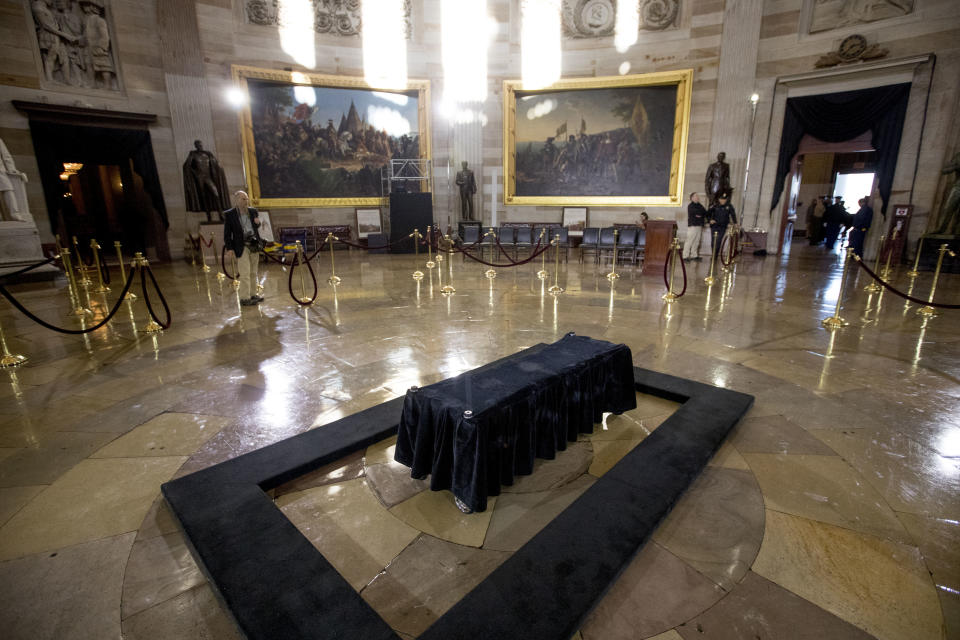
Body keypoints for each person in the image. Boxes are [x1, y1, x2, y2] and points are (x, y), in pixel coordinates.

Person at [223, 190, 264, 306]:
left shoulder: (252, 211)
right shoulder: (230, 214)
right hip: (241, 246)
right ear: (236, 200)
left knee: (253, 272)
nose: (246, 201)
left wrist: (257, 223)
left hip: (254, 245)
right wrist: (229, 248)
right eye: (243, 199)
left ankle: (253, 294)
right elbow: (227, 234)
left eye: (247, 199)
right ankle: (244, 298)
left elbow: (256, 226)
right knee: (245, 272)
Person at [183, 140, 231, 222]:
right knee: (203, 196)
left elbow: (215, 164)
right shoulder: (193, 155)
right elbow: (186, 166)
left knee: (216, 193)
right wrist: (195, 174)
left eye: (201, 145)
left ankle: (221, 213)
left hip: (208, 177)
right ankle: (208, 215)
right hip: (200, 178)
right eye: (198, 145)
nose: (200, 146)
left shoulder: (208, 154)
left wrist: (220, 169)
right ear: (196, 146)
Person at [708, 190, 737, 261]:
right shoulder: (714, 205)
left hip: (722, 227)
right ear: (719, 199)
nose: (723, 201)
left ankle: (715, 256)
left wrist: (735, 223)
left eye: (724, 199)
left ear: (726, 199)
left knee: (718, 241)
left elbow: (733, 214)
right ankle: (713, 254)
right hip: (714, 226)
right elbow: (708, 214)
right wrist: (710, 220)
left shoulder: (729, 206)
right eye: (721, 199)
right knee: (713, 242)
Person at [684, 192, 706, 261]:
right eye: (696, 196)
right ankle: (685, 256)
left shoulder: (700, 205)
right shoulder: (690, 206)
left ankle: (694, 255)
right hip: (693, 226)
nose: (698, 197)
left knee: (696, 241)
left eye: (698, 196)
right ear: (692, 198)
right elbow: (696, 213)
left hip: (699, 226)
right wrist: (699, 214)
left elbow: (704, 212)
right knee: (689, 241)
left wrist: (700, 215)